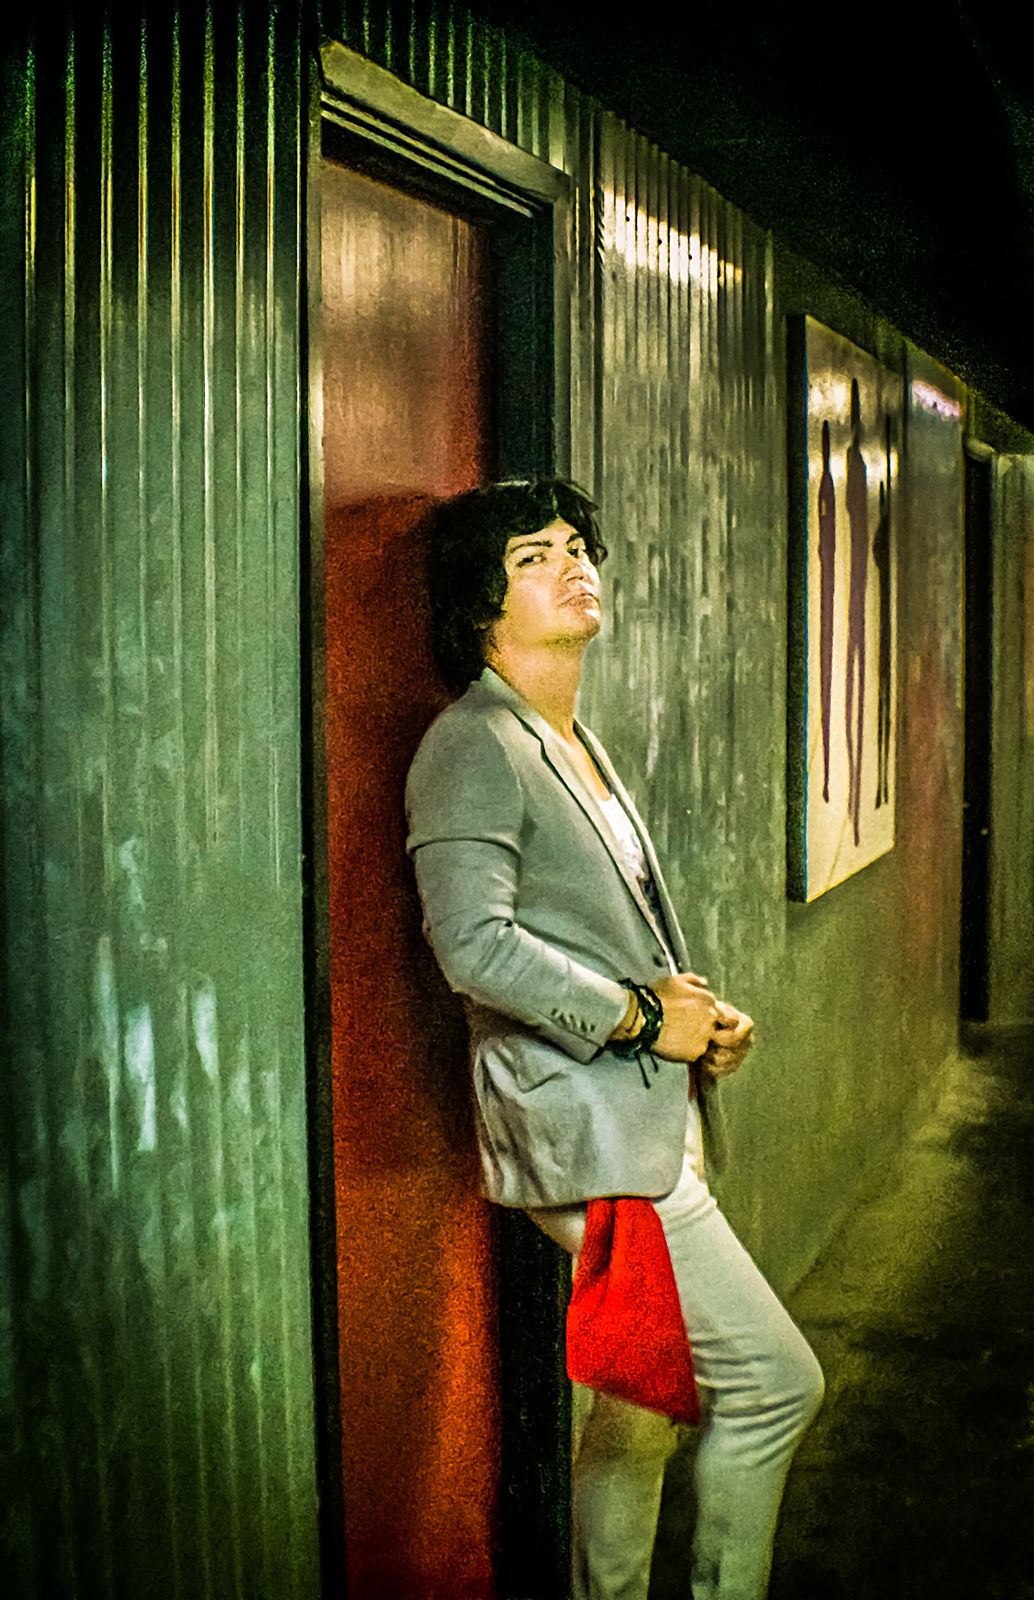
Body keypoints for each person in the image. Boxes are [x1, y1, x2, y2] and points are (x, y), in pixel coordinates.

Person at [405, 479, 824, 1600]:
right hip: (586, 1134)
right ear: (480, 601)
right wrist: (643, 1019)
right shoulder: (471, 743)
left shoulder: (565, 738)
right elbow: (472, 946)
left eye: (576, 545)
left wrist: (697, 1027)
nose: (572, 564)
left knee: (640, 1405)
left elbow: (600, 932)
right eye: (533, 555)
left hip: (636, 1111)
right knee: (775, 1386)